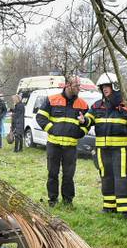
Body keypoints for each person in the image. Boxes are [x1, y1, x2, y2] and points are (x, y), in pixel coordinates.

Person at [85, 73, 127, 219]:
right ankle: (109, 207)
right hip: (102, 150)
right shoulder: (96, 106)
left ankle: (126, 212)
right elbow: (89, 120)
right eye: (102, 87)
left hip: (121, 150)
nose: (104, 89)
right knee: (106, 177)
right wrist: (83, 121)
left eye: (107, 86)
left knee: (121, 179)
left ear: (115, 86)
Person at [36, 76, 89, 206]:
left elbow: (88, 123)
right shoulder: (52, 100)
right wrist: (52, 129)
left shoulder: (83, 104)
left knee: (69, 175)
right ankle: (52, 200)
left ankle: (68, 201)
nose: (79, 88)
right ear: (68, 85)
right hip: (54, 144)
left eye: (79, 85)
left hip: (71, 146)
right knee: (53, 173)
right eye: (77, 86)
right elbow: (40, 117)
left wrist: (80, 133)